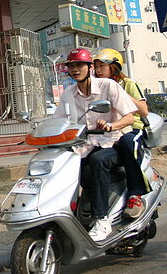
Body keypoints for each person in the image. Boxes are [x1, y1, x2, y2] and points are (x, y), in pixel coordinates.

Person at [54, 48, 137, 242]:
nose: (75, 70)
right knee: (65, 166)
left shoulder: (108, 86)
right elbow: (58, 121)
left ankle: (102, 219)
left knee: (99, 161)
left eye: (79, 65)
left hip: (112, 143)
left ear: (90, 67)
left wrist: (110, 125)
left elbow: (130, 117)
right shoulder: (68, 95)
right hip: (84, 146)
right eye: (71, 66)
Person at [92, 48, 151, 219]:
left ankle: (135, 195)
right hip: (107, 132)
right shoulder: (97, 88)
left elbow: (144, 111)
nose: (98, 70)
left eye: (102, 66)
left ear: (114, 67)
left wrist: (121, 93)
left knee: (127, 142)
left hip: (131, 129)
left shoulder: (128, 84)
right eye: (96, 67)